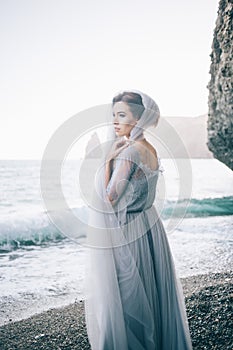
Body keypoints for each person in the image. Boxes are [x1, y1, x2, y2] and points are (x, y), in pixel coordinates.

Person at [84, 89, 193, 350]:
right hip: (149, 226)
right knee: (151, 290)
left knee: (129, 297)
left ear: (138, 119)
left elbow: (109, 197)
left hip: (129, 231)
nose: (115, 121)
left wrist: (108, 159)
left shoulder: (129, 152)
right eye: (113, 115)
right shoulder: (150, 148)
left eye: (122, 115)